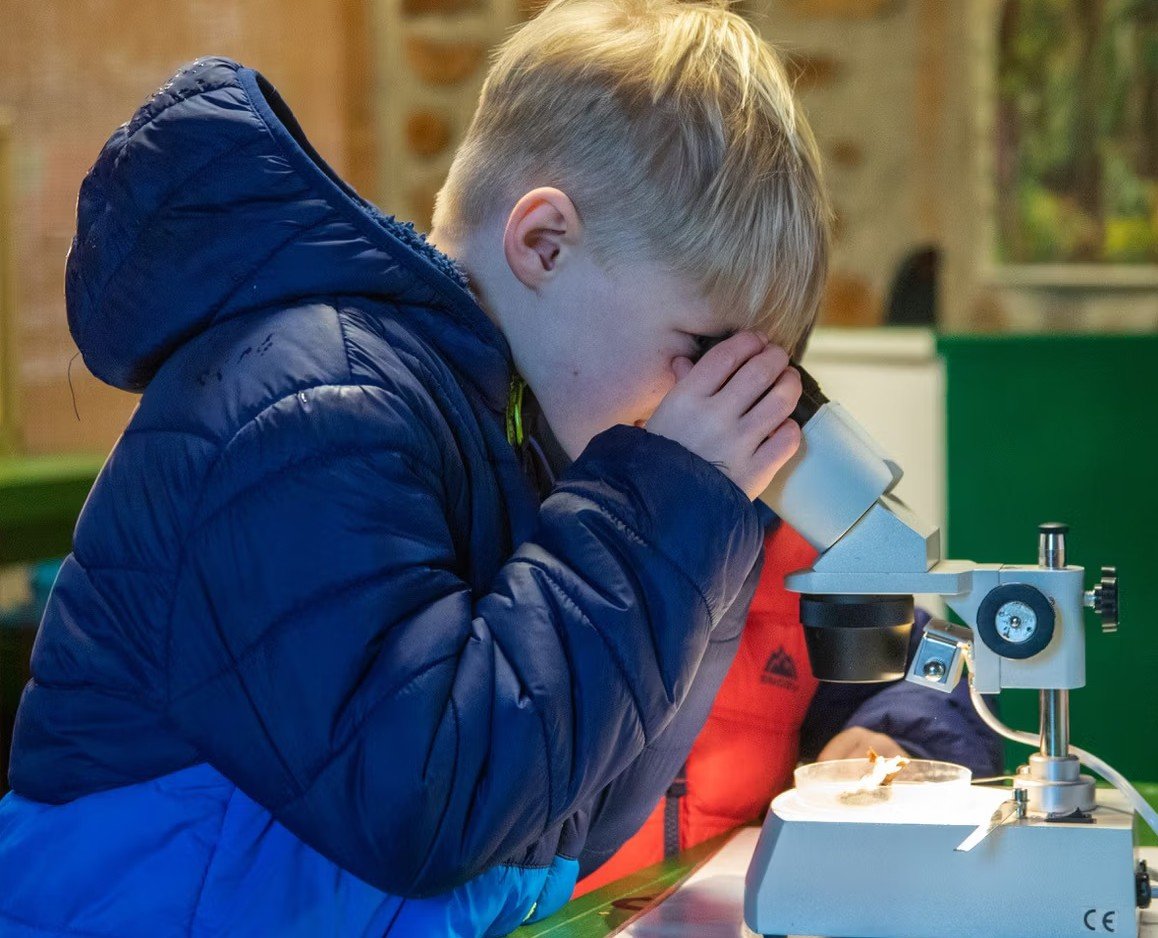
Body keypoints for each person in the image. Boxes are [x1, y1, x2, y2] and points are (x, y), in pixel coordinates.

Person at [0, 0, 831, 934]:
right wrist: (662, 517)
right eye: (698, 349)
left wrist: (708, 539)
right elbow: (427, 804)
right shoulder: (310, 402)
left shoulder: (508, 445)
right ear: (544, 244)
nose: (702, 393)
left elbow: (562, 818)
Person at [573, 515, 1004, 894]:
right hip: (564, 912)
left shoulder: (806, 557)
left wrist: (899, 738)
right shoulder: (557, 535)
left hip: (736, 902)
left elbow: (927, 672)